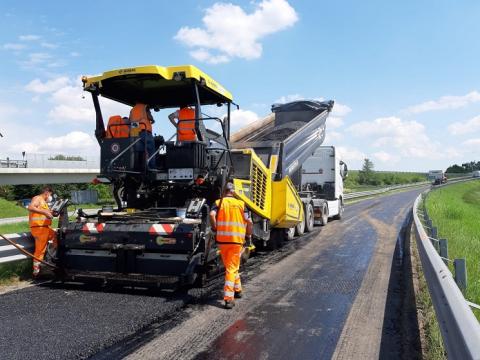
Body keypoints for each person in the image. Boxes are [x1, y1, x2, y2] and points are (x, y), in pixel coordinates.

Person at [210, 182, 253, 309]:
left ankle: (238, 290)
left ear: (224, 191)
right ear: (233, 192)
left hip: (222, 241)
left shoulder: (219, 202)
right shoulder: (241, 204)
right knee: (231, 268)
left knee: (231, 266)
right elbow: (249, 222)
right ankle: (229, 298)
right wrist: (249, 235)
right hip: (236, 241)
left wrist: (214, 228)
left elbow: (212, 215)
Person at [28, 186, 56, 277]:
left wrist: (50, 212)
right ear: (47, 192)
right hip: (39, 228)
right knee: (40, 250)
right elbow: (31, 207)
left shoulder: (44, 202)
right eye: (50, 195)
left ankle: (50, 261)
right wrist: (44, 212)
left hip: (46, 228)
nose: (50, 197)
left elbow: (45, 213)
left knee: (57, 238)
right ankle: (37, 271)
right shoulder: (37, 198)